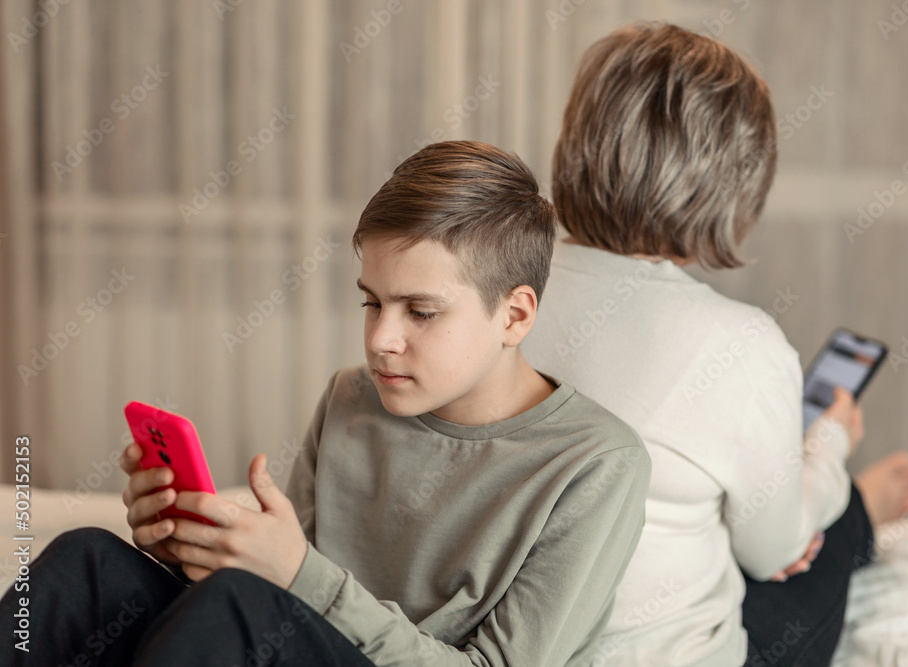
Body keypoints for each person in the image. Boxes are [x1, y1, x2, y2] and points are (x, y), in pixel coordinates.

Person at [0, 140, 652, 666]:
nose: (380, 339)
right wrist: (197, 547)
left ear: (514, 314)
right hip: (289, 637)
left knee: (237, 607)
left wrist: (294, 573)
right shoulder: (351, 398)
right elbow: (284, 596)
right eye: (372, 302)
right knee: (90, 559)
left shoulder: (597, 463)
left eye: (420, 311)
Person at [522, 23, 908, 667]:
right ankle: (858, 510)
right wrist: (832, 443)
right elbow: (774, 552)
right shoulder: (745, 346)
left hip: (524, 640)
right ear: (732, 182)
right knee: (820, 528)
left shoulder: (502, 292)